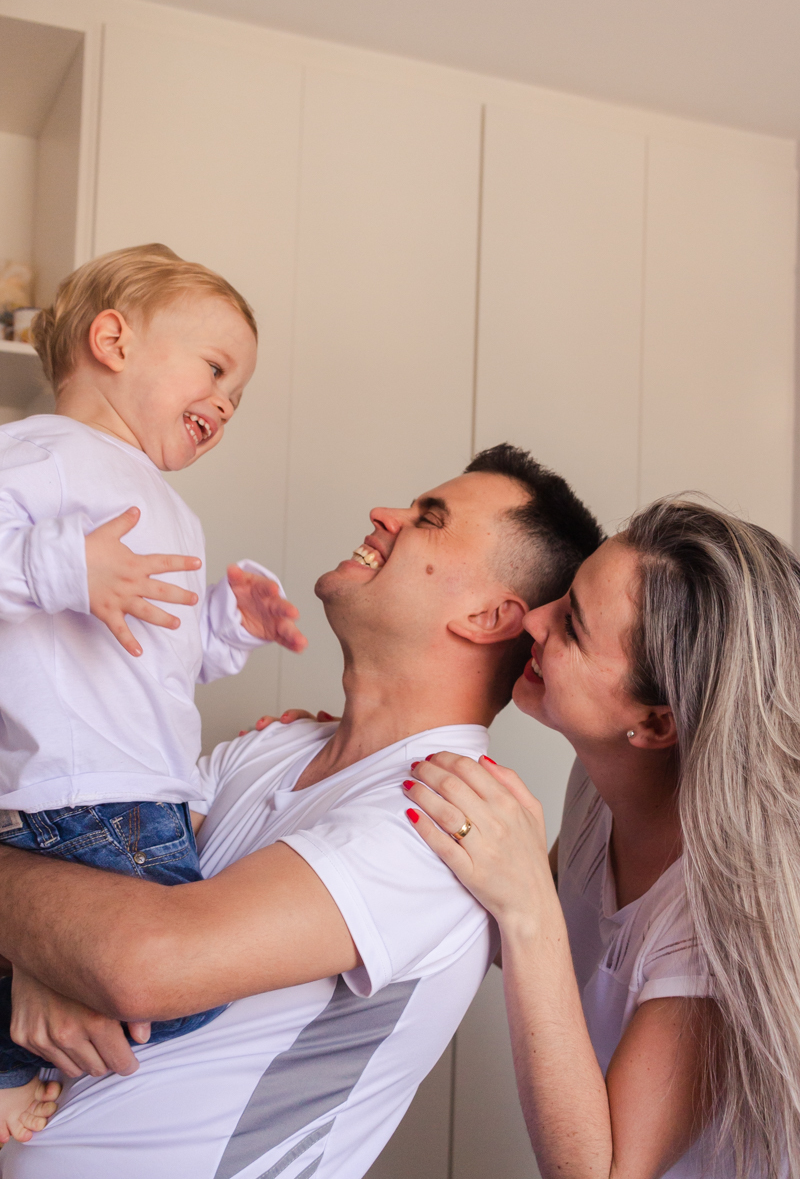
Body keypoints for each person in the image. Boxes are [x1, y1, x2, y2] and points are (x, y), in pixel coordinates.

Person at [0, 446, 601, 1178]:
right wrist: (36, 957)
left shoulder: (449, 823)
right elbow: (73, 878)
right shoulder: (278, 746)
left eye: (428, 519)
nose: (386, 515)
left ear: (486, 616)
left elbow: (143, 962)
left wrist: (35, 943)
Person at [0, 244, 306, 1142]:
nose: (225, 402)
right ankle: (19, 1017)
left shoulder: (171, 506)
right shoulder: (39, 451)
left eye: (238, 395)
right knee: (174, 998)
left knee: (157, 992)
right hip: (83, 789)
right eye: (215, 368)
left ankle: (26, 998)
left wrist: (225, 627)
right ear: (112, 340)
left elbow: (153, 662)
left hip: (138, 794)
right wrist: (68, 565)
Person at [404, 496, 800, 1179]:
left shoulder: (720, 918)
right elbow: (525, 928)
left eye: (573, 627)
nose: (534, 618)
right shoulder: (603, 784)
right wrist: (337, 771)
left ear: (653, 724)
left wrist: (528, 906)